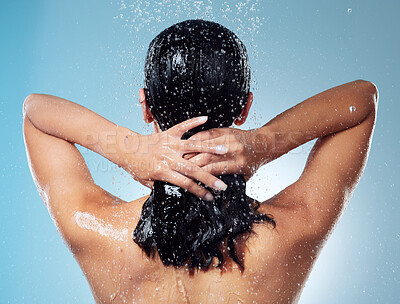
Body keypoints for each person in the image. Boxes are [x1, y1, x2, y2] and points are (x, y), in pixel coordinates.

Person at [23, 19, 378, 304]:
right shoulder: (291, 231)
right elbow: (362, 101)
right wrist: (264, 143)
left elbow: (36, 113)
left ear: (145, 107)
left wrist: (128, 150)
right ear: (245, 108)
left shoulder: (98, 230)